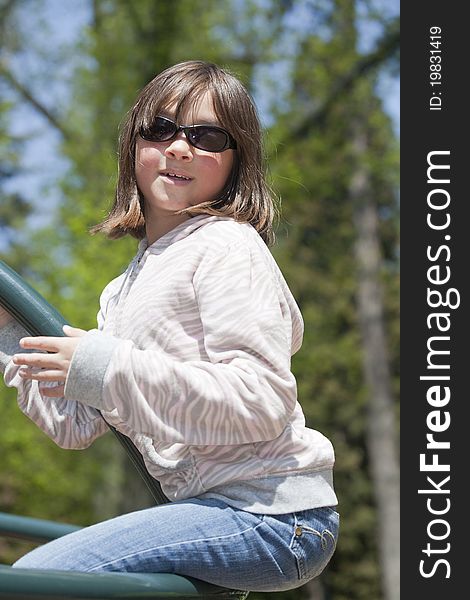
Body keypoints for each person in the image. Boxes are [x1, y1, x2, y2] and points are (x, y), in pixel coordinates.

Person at [0, 60, 338, 593]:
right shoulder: (123, 288)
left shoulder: (227, 246)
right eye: (161, 129)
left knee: (37, 578)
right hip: (216, 509)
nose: (180, 147)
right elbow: (77, 425)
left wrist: (104, 364)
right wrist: (7, 335)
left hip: (272, 514)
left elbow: (261, 399)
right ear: (134, 144)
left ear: (235, 162)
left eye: (206, 137)